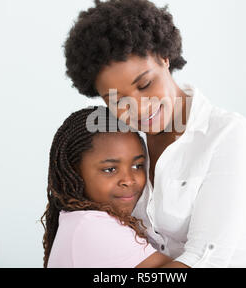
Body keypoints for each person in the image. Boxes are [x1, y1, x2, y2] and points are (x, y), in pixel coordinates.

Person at [62, 0, 246, 267]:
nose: (139, 108)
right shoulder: (117, 143)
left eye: (145, 85)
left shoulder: (226, 134)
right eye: (117, 100)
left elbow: (208, 258)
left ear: (164, 58)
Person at [41, 106, 175, 267]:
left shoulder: (79, 222)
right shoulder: (94, 227)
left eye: (137, 166)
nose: (129, 180)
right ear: (74, 171)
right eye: (110, 169)